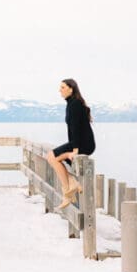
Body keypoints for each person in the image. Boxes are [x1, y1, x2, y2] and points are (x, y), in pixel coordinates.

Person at [46, 78, 96, 210]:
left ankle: (68, 191)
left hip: (83, 143)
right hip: (79, 142)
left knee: (52, 157)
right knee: (52, 157)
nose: (60, 90)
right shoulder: (72, 103)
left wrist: (74, 150)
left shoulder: (74, 104)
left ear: (71, 88)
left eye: (62, 87)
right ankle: (70, 185)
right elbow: (72, 129)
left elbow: (75, 128)